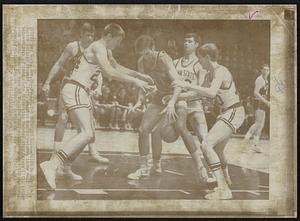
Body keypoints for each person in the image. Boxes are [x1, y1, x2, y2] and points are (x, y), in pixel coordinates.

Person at [40, 23, 153, 189]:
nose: (118, 44)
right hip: (75, 88)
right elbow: (110, 73)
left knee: (88, 133)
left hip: (80, 90)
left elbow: (116, 66)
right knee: (86, 133)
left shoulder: (104, 50)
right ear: (108, 36)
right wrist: (136, 81)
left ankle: (65, 168)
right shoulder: (98, 46)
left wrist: (139, 74)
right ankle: (53, 164)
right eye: (117, 41)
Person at [173, 43, 245, 199]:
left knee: (206, 145)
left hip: (234, 111)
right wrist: (175, 97)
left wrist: (186, 83)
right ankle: (225, 180)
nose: (199, 62)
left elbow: (211, 93)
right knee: (217, 151)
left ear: (206, 57)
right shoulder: (208, 74)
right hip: (227, 113)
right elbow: (196, 94)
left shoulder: (221, 71)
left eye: (200, 58)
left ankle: (223, 189)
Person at [42, 22, 109, 182]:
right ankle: (55, 154)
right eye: (87, 34)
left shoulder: (95, 48)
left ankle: (70, 165)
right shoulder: (73, 47)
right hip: (70, 85)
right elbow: (59, 64)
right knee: (64, 118)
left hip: (85, 89)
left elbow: (100, 71)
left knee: (87, 126)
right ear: (81, 34)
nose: (90, 37)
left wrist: (99, 86)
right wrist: (47, 82)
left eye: (92, 35)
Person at [146, 33, 215, 183]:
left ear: (197, 44)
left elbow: (200, 90)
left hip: (195, 105)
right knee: (156, 130)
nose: (186, 44)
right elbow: (168, 84)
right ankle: (156, 165)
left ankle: (213, 172)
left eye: (190, 41)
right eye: (185, 41)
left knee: (205, 140)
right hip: (179, 104)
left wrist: (179, 96)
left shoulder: (200, 65)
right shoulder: (175, 63)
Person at [244, 64, 270, 153]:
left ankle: (255, 145)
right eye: (264, 69)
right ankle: (244, 142)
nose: (266, 71)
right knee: (257, 123)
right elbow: (255, 93)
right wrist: (266, 102)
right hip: (259, 103)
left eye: (268, 70)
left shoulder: (266, 80)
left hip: (262, 103)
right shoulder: (260, 80)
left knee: (261, 125)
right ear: (261, 70)